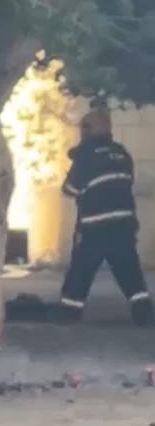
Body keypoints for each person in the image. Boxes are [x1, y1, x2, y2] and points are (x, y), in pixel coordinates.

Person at [56, 107, 151, 326]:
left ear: (89, 130)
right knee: (129, 268)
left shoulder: (86, 156)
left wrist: (77, 159)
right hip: (124, 223)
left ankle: (69, 313)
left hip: (94, 226)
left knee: (81, 270)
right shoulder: (122, 153)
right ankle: (143, 311)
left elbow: (69, 189)